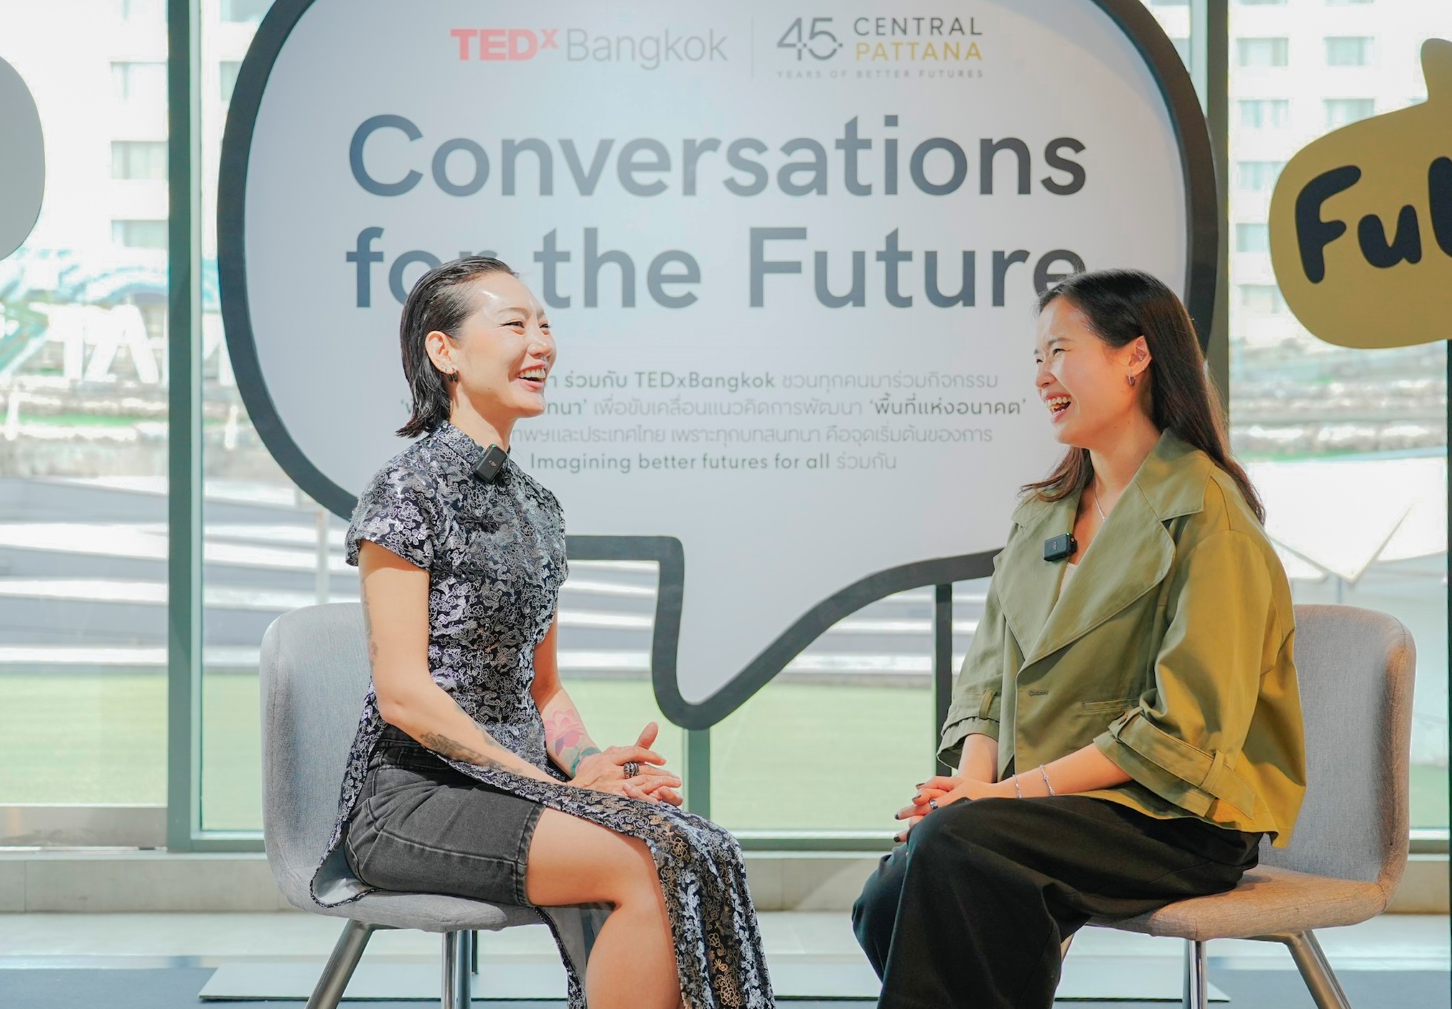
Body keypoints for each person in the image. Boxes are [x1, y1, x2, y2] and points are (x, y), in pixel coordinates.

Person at [307, 255, 773, 1009]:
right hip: (413, 801)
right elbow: (404, 698)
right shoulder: (406, 490)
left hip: (520, 791)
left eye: (546, 326)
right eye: (515, 325)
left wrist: (589, 764)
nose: (541, 344)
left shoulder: (541, 508)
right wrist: (557, 790)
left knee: (701, 845)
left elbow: (543, 689)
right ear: (445, 352)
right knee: (642, 860)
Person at [852, 268, 1306, 1009]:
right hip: (1047, 806)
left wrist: (998, 797)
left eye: (1059, 351)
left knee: (958, 852)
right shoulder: (1044, 514)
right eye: (1036, 359)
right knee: (889, 896)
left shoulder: (1208, 515)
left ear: (1135, 356)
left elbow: (1184, 732)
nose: (1042, 377)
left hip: (1172, 817)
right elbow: (987, 681)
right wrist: (976, 783)